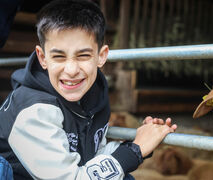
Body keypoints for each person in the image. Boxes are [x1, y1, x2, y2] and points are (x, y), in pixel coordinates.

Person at [0, 0, 177, 179]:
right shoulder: (34, 111)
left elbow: (91, 158)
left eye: (83, 55)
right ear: (42, 58)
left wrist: (141, 142)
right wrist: (134, 151)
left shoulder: (93, 96)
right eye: (59, 56)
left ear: (101, 56)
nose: (71, 70)